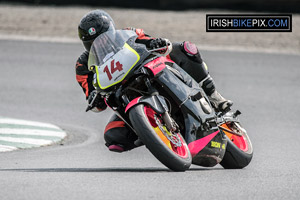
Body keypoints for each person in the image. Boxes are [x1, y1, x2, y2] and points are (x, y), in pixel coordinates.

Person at [75, 10, 233, 152]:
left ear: (112, 31)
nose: (100, 44)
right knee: (114, 136)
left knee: (186, 49)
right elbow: (92, 96)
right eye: (92, 43)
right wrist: (94, 99)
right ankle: (153, 133)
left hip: (149, 73)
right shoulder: (83, 65)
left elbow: (149, 42)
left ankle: (213, 95)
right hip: (125, 96)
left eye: (103, 38)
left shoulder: (129, 33)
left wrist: (155, 43)